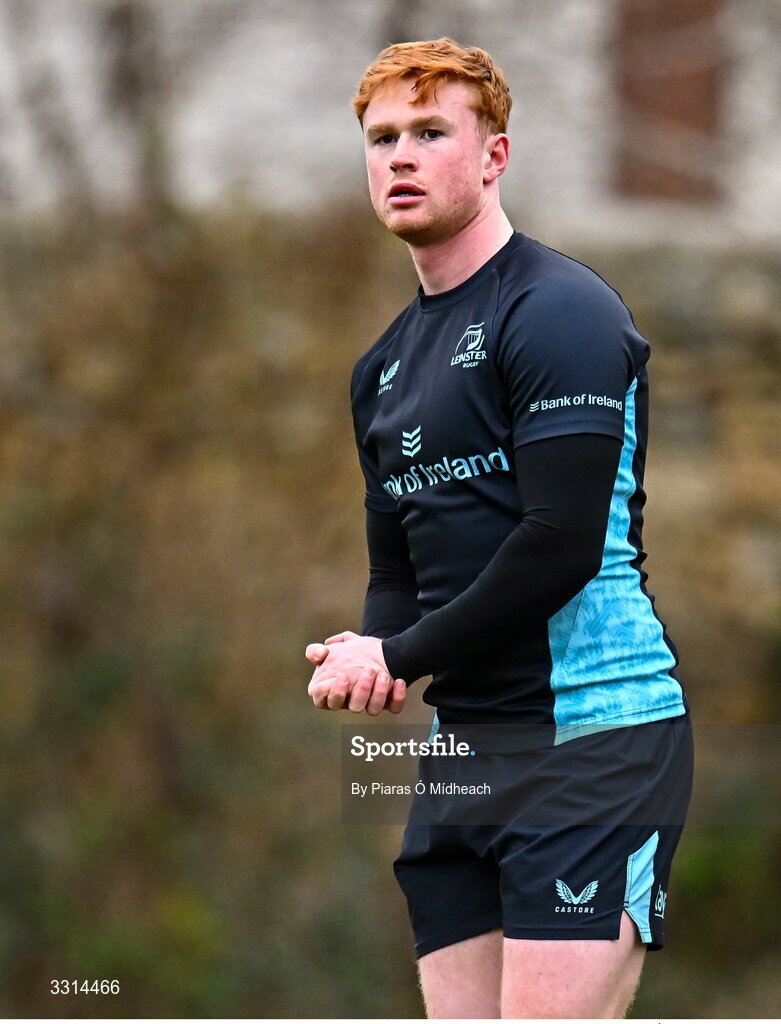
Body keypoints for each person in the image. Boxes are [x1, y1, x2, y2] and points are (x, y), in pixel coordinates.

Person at [305, 38, 693, 1019]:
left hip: (594, 739)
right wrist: (373, 653)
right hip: (466, 751)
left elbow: (556, 544)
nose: (400, 155)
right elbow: (401, 569)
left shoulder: (560, 309)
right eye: (382, 136)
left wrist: (404, 646)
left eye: (430, 132)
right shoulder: (382, 368)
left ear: (493, 156)